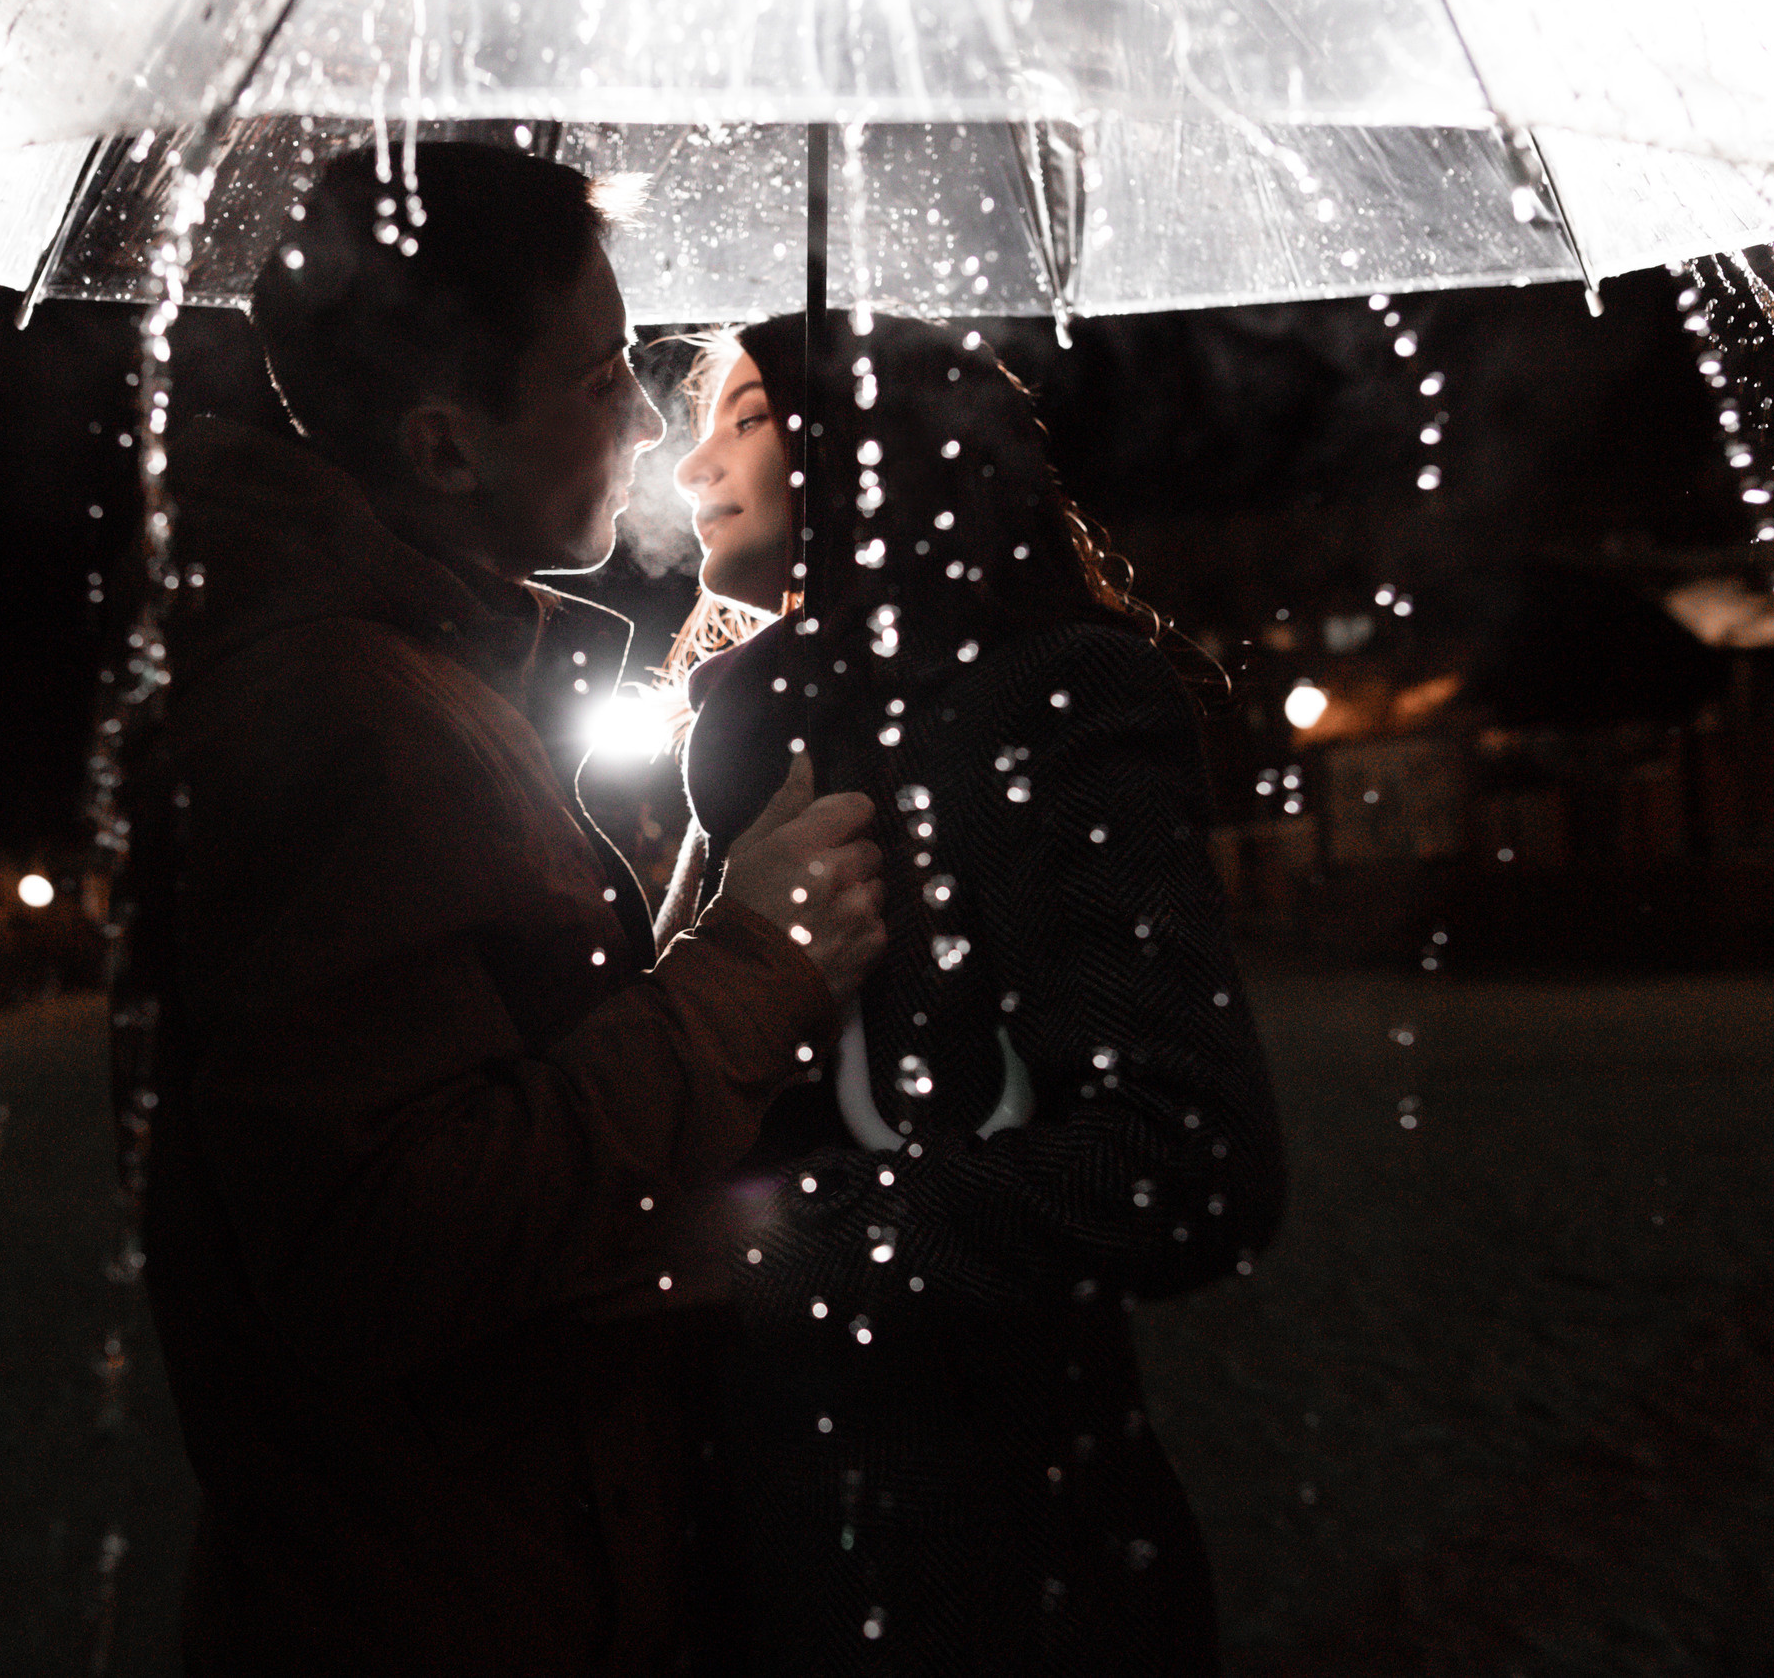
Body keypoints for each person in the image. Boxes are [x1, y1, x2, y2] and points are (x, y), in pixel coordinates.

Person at [124, 145, 885, 1677]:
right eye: (603, 370)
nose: (648, 418)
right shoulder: (334, 710)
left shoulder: (422, 677)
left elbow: (487, 1065)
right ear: (446, 448)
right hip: (448, 1607)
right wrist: (753, 969)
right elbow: (382, 1245)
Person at [663, 314, 1285, 1675]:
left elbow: (1185, 1158)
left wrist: (783, 1244)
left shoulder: (1047, 699)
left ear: (874, 451)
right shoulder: (746, 739)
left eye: (751, 413)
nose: (689, 456)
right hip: (751, 1536)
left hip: (987, 1541)